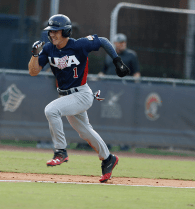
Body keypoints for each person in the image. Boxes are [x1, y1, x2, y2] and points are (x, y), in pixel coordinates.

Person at [28, 14, 130, 183]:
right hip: (65, 95)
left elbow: (103, 40)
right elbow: (33, 71)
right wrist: (34, 55)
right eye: (50, 31)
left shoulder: (79, 45)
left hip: (82, 94)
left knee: (51, 110)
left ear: (66, 31)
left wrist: (117, 60)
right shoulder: (48, 49)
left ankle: (60, 152)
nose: (52, 34)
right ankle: (108, 159)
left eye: (56, 31)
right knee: (85, 131)